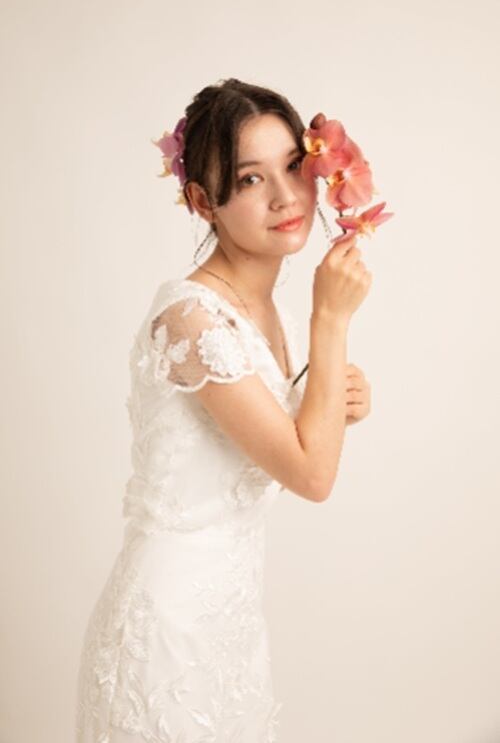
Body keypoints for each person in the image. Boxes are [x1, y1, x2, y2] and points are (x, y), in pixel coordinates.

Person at [75, 77, 372, 743]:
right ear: (202, 201)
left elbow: (290, 444)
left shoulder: (269, 313)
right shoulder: (190, 317)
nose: (286, 197)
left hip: (230, 624)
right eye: (249, 179)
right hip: (166, 634)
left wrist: (332, 398)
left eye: (294, 166)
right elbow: (312, 475)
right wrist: (331, 322)